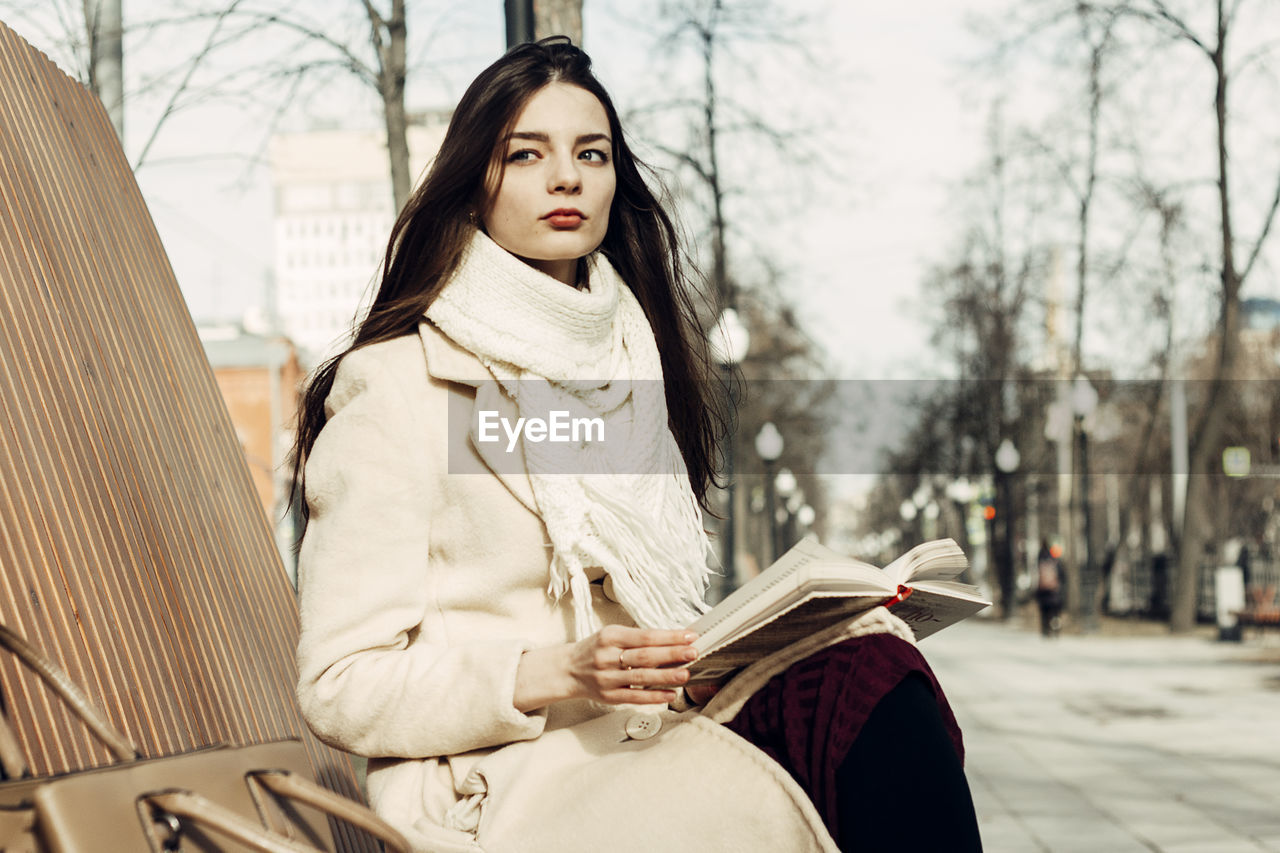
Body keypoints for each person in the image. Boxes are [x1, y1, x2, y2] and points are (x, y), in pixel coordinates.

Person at [290, 37, 981, 853]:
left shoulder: (632, 363)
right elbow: (339, 684)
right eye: (526, 154)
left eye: (592, 153)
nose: (567, 178)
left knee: (869, 665)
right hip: (506, 782)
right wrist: (555, 670)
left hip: (648, 732)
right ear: (475, 180)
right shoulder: (400, 383)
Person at [1036, 540, 1065, 637]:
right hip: (1054, 592)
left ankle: (1045, 630)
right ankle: (1056, 630)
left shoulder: (1040, 558)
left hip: (1043, 591)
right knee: (1055, 613)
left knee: (1044, 612)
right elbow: (1062, 575)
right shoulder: (1055, 560)